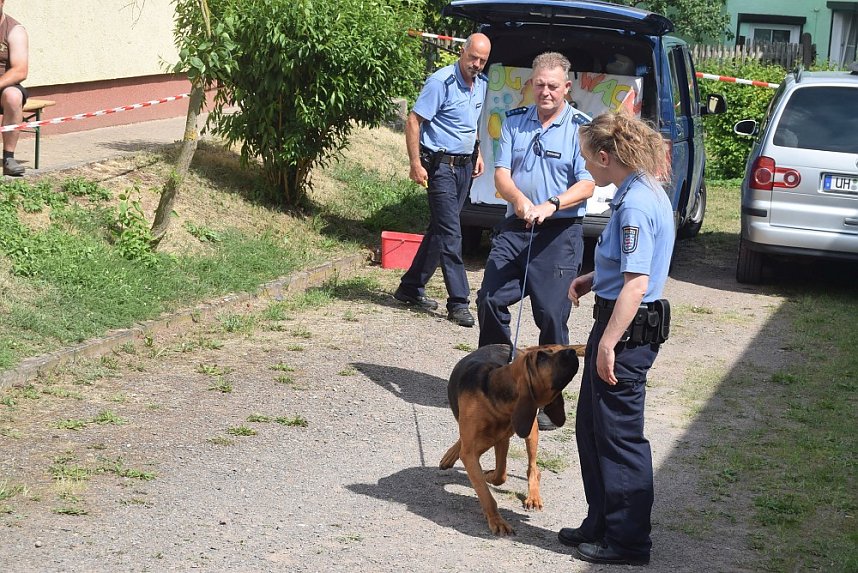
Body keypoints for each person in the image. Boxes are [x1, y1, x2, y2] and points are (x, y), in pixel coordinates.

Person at [558, 110, 674, 567]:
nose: (586, 166)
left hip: (625, 334)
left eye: (588, 158)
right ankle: (601, 522)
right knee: (592, 427)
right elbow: (628, 268)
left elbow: (637, 284)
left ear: (606, 157)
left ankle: (627, 541)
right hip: (618, 323)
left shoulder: (636, 205)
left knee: (619, 438)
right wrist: (594, 278)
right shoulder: (638, 190)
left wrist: (607, 344)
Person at [476, 51, 594, 429]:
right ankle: (499, 379)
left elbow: (587, 184)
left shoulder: (580, 128)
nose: (545, 92)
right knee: (490, 298)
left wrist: (551, 205)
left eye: (553, 86)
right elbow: (501, 174)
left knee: (551, 316)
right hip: (517, 226)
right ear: (531, 84)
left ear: (567, 88)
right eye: (539, 84)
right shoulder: (514, 121)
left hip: (559, 232)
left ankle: (550, 400)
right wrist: (519, 200)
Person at [393, 33, 491, 327]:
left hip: (464, 166)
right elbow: (414, 121)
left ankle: (410, 287)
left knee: (440, 229)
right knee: (451, 233)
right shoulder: (441, 82)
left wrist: (477, 151)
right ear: (461, 52)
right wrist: (414, 163)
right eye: (472, 57)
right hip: (440, 167)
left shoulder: (481, 84)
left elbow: (470, 123)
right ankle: (458, 302)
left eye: (482, 60)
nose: (476, 64)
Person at [0, 0, 28, 177]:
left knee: (13, 96)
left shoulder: (14, 30)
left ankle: (8, 158)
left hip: (3, 87)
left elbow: (20, 70)